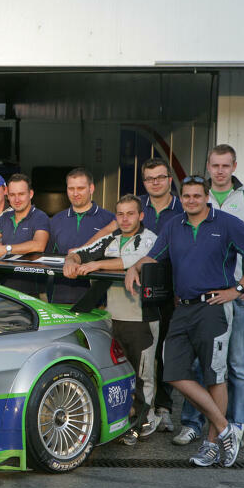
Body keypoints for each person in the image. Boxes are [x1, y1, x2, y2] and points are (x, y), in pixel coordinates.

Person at [125, 177, 244, 467]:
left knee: (214, 375)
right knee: (173, 371)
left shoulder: (226, 223)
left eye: (197, 195)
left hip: (214, 309)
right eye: (187, 196)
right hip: (183, 308)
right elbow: (153, 257)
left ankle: (211, 444)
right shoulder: (173, 226)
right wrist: (134, 266)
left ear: (207, 197)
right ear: (181, 199)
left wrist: (239, 288)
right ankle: (226, 427)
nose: (191, 200)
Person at [175, 144, 244, 446]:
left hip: (237, 296)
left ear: (234, 166)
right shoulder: (197, 198)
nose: (219, 171)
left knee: (236, 365)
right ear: (208, 166)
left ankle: (235, 424)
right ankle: (192, 423)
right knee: (195, 365)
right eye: (215, 165)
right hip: (202, 297)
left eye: (225, 166)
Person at [87, 158, 185, 435]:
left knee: (160, 359)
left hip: (168, 296)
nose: (155, 182)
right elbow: (106, 236)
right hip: (128, 306)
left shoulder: (182, 207)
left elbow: (141, 256)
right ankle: (133, 412)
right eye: (149, 178)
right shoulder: (134, 209)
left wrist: (95, 264)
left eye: (160, 177)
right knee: (128, 364)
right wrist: (77, 254)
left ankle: (158, 411)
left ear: (169, 179)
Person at [64, 194, 159, 444]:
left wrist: (97, 265)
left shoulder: (150, 239)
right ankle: (123, 420)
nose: (125, 219)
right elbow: (80, 253)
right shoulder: (111, 238)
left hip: (142, 319)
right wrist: (70, 262)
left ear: (141, 216)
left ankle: (145, 419)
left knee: (144, 373)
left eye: (130, 214)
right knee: (118, 373)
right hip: (112, 318)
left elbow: (135, 261)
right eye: (120, 214)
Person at [46, 168, 115, 303]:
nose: (75, 193)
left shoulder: (109, 220)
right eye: (71, 188)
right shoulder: (56, 220)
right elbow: (48, 258)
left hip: (97, 300)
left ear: (91, 188)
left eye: (81, 188)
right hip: (60, 298)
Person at [0, 173, 51, 295]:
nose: (17, 200)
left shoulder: (40, 217)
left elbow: (38, 245)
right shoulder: (6, 217)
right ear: (7, 195)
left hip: (33, 292)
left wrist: (6, 249)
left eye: (21, 194)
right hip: (6, 288)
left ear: (31, 194)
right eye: (12, 195)